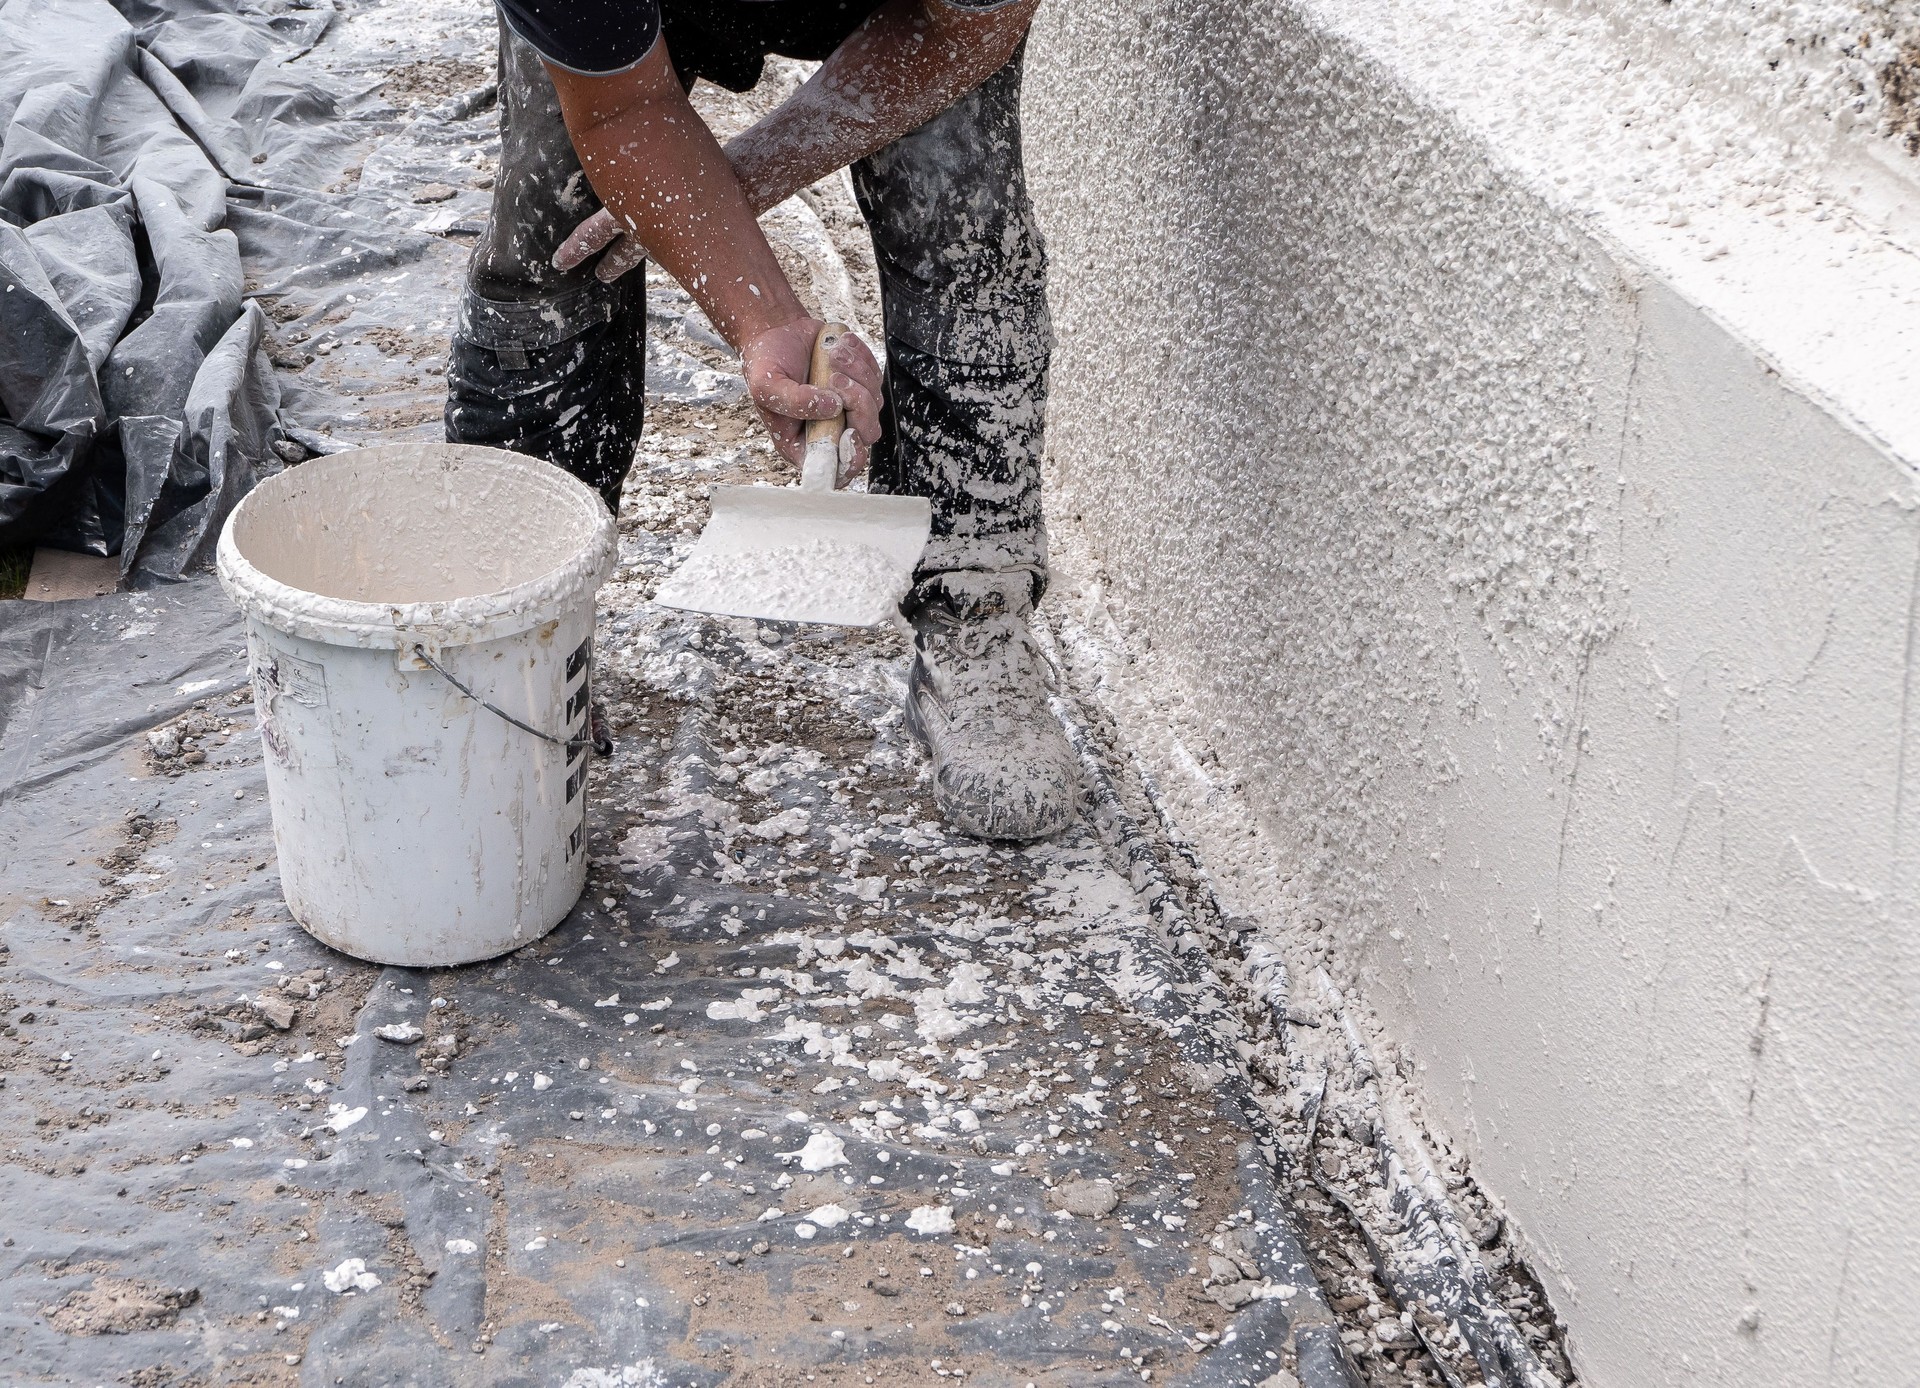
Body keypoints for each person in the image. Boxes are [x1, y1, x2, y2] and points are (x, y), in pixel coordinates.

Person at [444, 0, 1078, 842]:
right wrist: (762, 315)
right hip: (627, 20)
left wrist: (725, 188)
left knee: (963, 225)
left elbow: (962, 32)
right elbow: (624, 108)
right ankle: (514, 624)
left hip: (921, 9)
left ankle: (975, 603)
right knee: (553, 234)